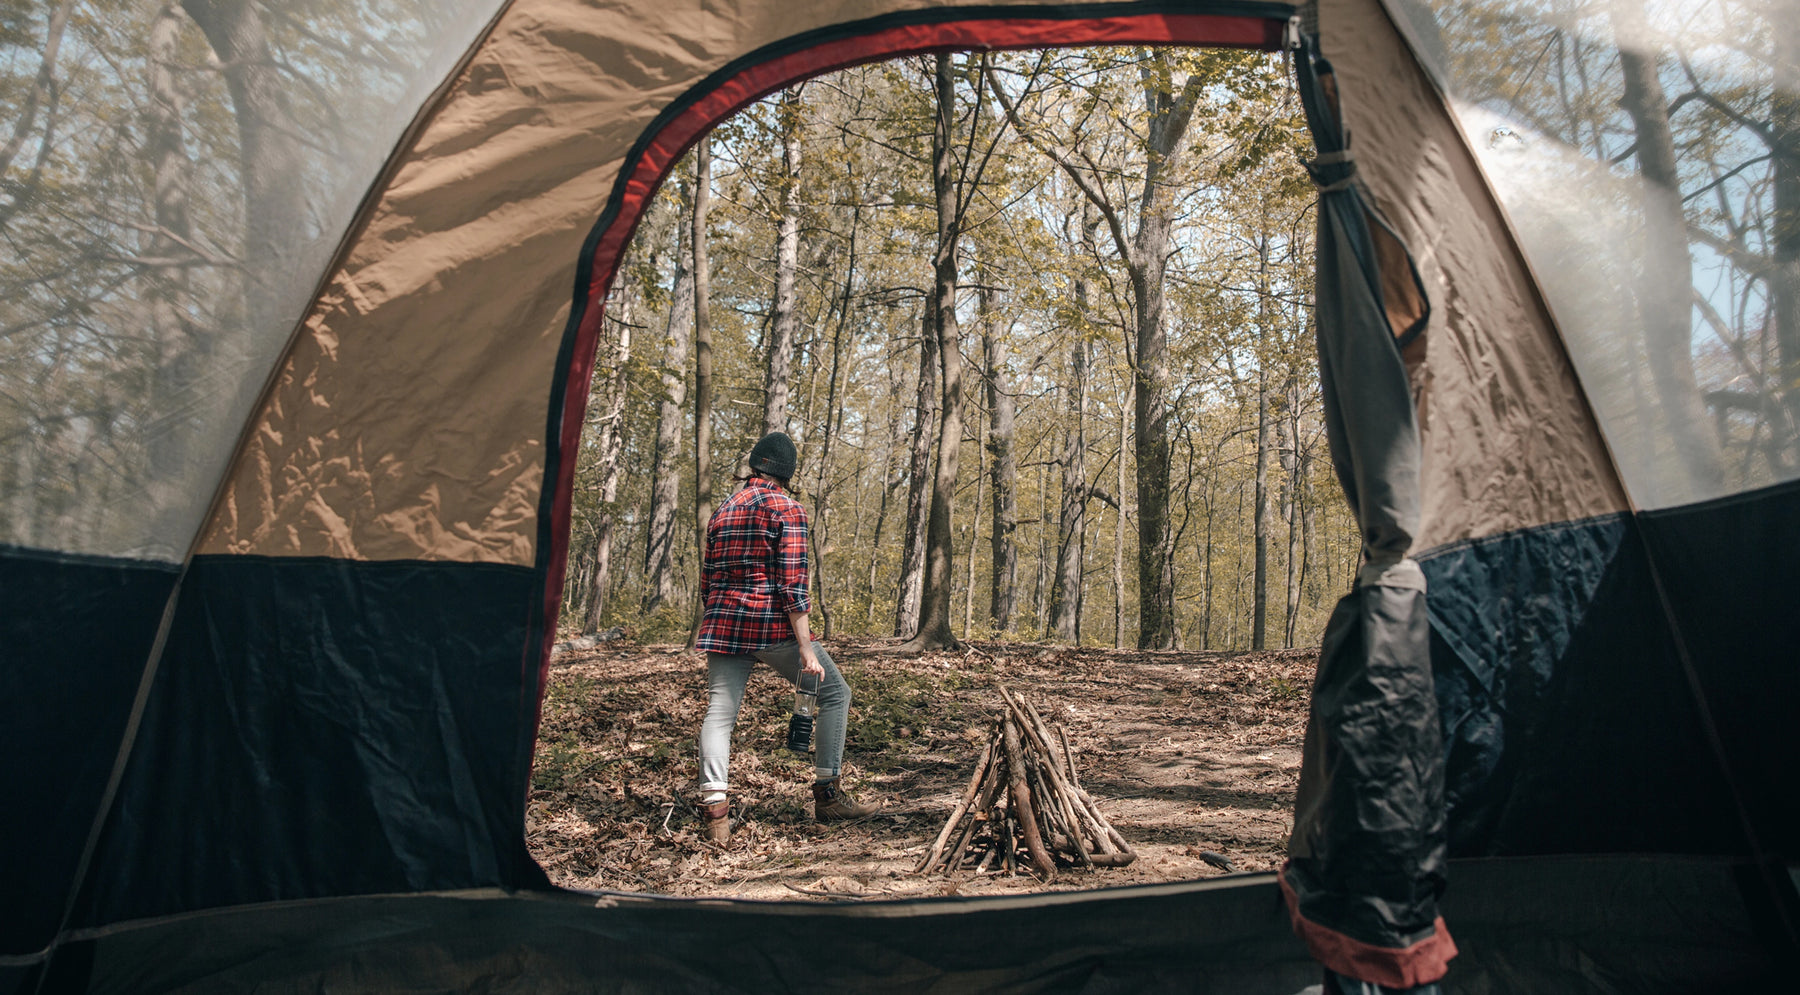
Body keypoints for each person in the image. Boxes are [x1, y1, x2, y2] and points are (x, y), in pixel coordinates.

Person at [694, 430, 876, 843]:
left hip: (723, 624)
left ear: (754, 466)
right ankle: (828, 796)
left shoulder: (723, 510)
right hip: (770, 625)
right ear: (786, 473)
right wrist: (806, 649)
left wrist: (719, 613)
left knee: (719, 714)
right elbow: (793, 586)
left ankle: (716, 813)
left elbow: (707, 582)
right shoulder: (787, 509)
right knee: (835, 693)